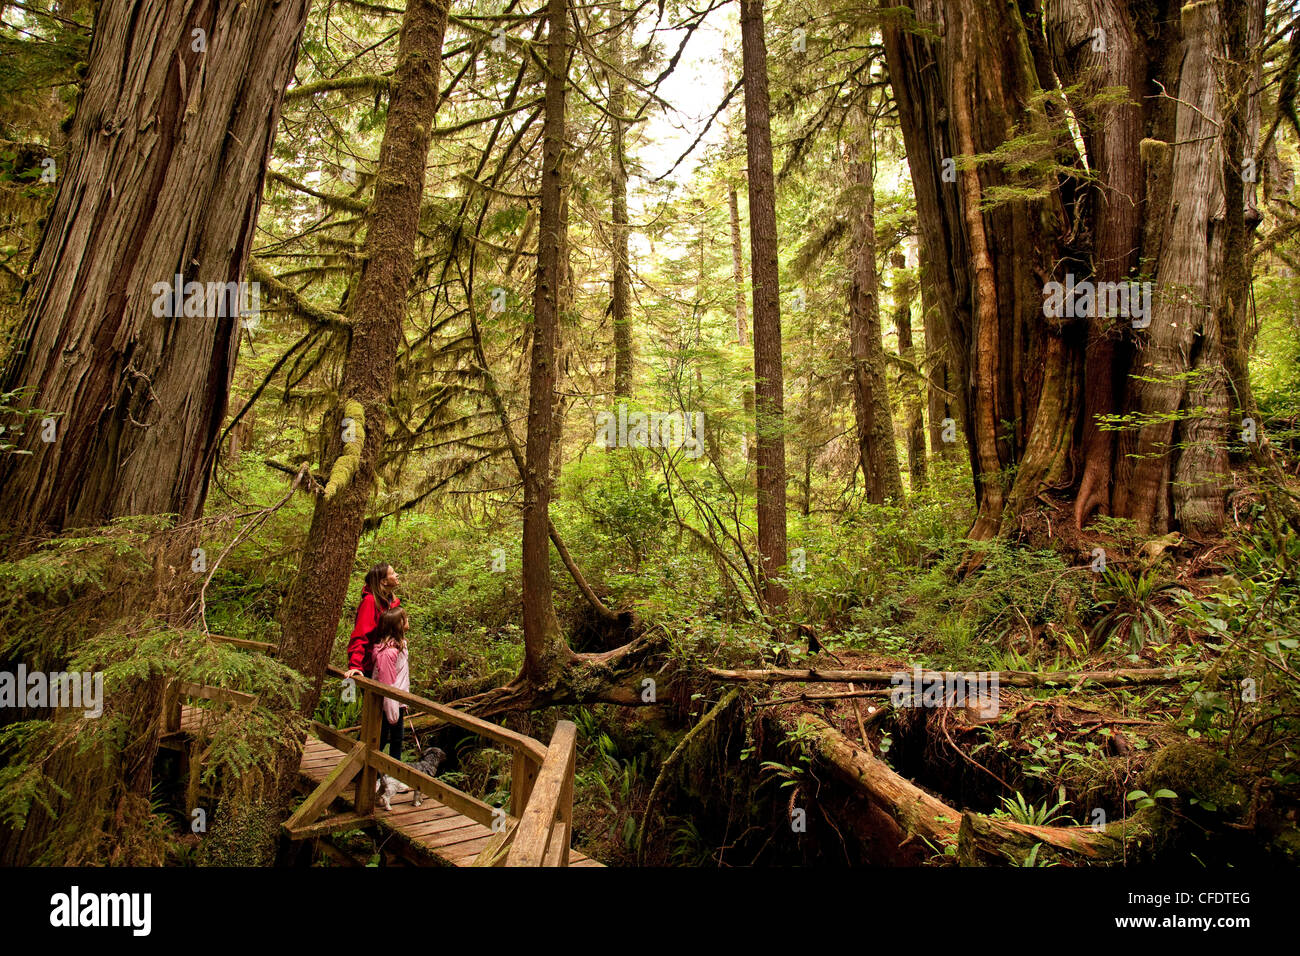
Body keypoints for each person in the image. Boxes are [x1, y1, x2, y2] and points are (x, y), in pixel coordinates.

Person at [345, 563, 400, 678]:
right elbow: (361, 634)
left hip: (389, 662)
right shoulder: (370, 602)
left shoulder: (392, 602)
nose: (397, 575)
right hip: (371, 666)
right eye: (393, 573)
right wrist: (355, 665)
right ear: (384, 581)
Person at [371, 607, 411, 763]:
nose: (408, 620)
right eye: (405, 618)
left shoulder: (399, 646)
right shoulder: (389, 652)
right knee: (384, 739)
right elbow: (386, 684)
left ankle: (392, 776)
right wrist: (393, 711)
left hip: (398, 700)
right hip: (391, 702)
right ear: (398, 625)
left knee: (396, 739)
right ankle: (376, 776)